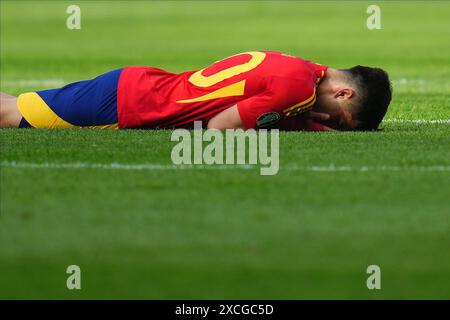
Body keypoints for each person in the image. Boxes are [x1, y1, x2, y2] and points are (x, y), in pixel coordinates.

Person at [0, 50, 392, 131]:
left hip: (137, 85)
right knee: (10, 117)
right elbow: (220, 128)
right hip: (127, 106)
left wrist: (299, 120)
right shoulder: (298, 90)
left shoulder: (299, 69)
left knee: (15, 106)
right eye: (339, 122)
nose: (328, 123)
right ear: (344, 95)